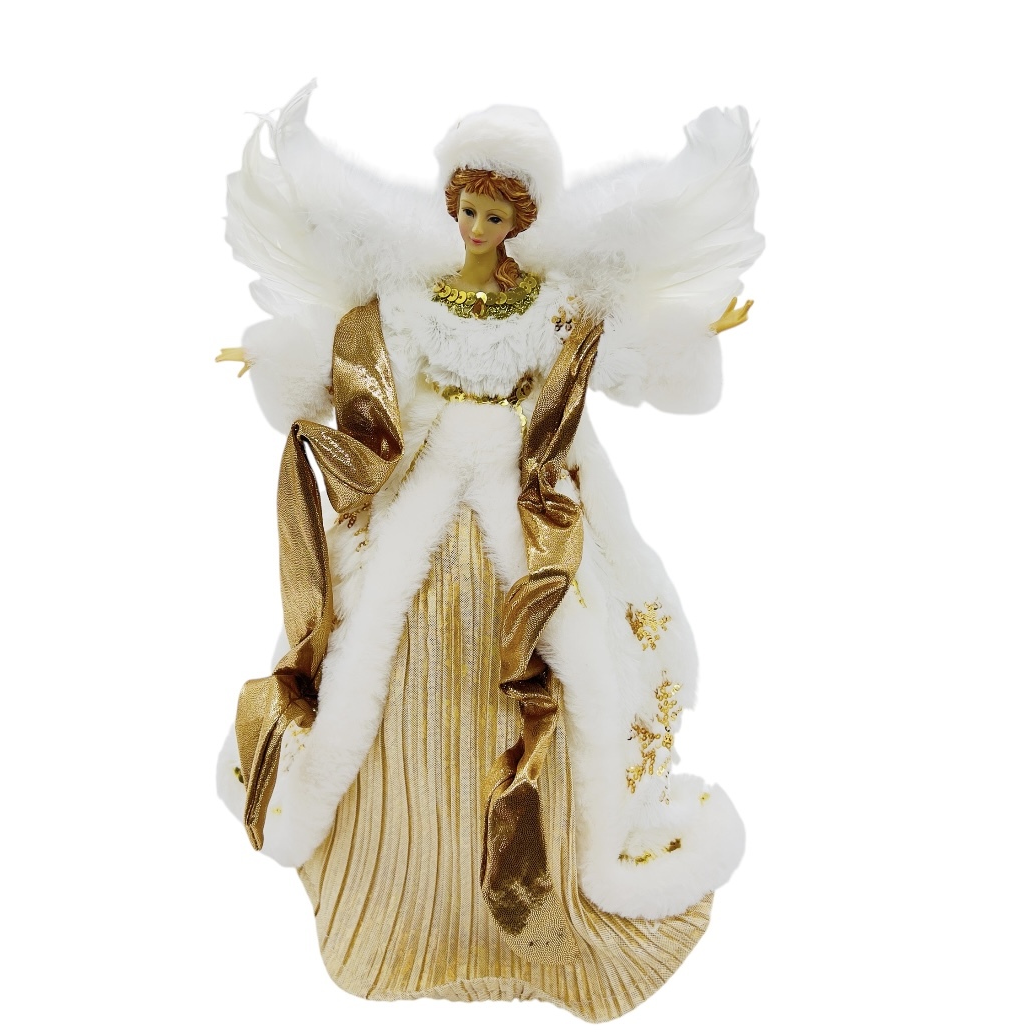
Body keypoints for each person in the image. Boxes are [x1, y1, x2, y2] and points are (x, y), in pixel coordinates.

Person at [217, 83, 762, 1021]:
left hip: (522, 509)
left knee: (566, 668)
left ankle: (545, 870)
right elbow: (360, 368)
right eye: (467, 210)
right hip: (426, 505)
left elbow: (610, 356)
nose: (476, 228)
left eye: (494, 215)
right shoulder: (412, 300)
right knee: (378, 665)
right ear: (452, 208)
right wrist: (277, 360)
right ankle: (406, 880)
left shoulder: (550, 305)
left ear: (521, 221)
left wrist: (692, 327)